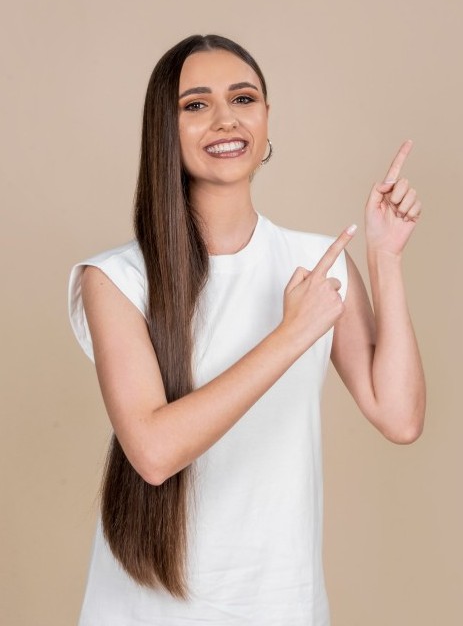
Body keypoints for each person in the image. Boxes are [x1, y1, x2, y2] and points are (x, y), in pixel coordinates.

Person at [68, 34, 425, 626]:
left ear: (265, 119)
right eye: (196, 104)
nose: (226, 119)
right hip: (147, 607)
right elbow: (153, 453)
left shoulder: (320, 264)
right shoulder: (116, 279)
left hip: (281, 600)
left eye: (243, 98)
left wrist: (385, 258)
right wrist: (290, 335)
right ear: (164, 129)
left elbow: (400, 418)